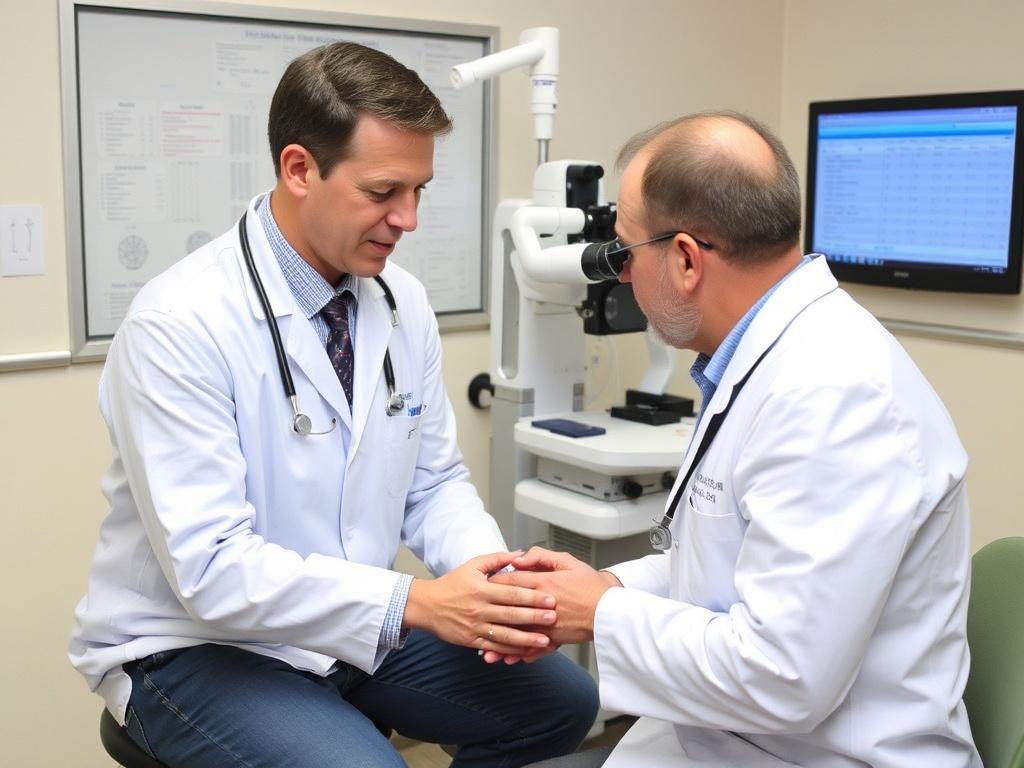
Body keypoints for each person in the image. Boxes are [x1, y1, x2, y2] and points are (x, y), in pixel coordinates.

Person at [69, 42, 597, 768]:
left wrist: (493, 585)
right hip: (195, 643)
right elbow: (213, 570)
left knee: (563, 703)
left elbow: (434, 483)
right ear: (299, 169)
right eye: (383, 192)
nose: (408, 218)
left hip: (346, 626)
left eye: (420, 190)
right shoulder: (179, 323)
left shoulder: (401, 301)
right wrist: (417, 604)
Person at [502, 112, 981, 767]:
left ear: (685, 259)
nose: (622, 276)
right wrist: (601, 585)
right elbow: (726, 570)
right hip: (736, 738)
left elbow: (782, 677)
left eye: (626, 252)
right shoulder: (762, 358)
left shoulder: (836, 398)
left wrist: (601, 614)